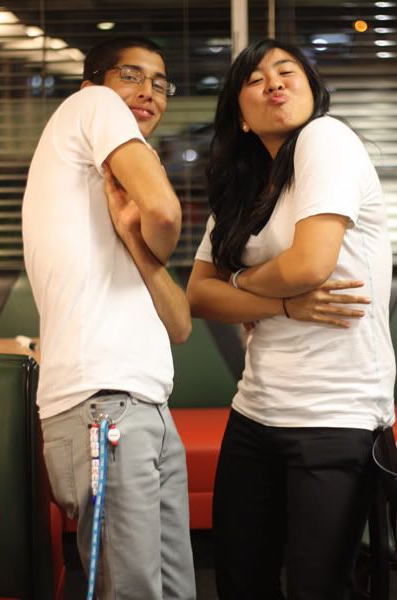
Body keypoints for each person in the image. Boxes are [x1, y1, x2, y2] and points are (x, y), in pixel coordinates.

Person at [186, 38, 395, 600]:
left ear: (311, 89)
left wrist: (240, 283)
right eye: (255, 80)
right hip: (255, 412)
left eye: (286, 71)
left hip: (336, 415)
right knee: (240, 584)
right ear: (241, 117)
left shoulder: (327, 138)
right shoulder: (242, 188)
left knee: (316, 589)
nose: (274, 82)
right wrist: (281, 303)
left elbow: (309, 265)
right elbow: (198, 296)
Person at [22, 36, 196, 600]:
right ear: (91, 84)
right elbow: (165, 210)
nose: (148, 93)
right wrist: (148, 221)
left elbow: (181, 325)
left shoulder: (113, 199)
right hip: (101, 404)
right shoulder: (93, 105)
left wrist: (134, 240)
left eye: (160, 83)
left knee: (174, 591)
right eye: (131, 75)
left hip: (149, 408)